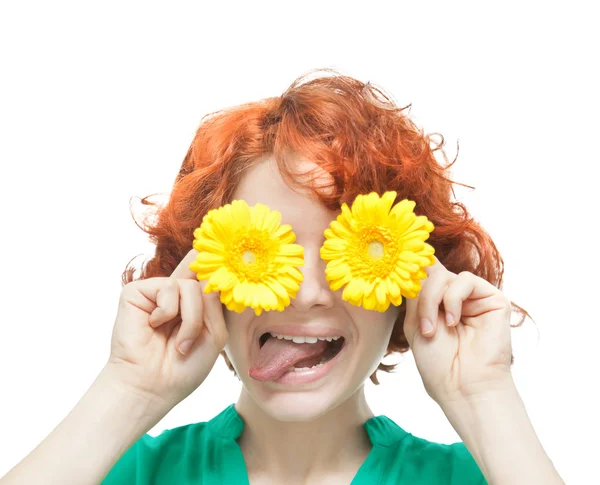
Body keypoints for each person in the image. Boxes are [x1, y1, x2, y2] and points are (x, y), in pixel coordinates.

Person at [0, 69, 565, 485]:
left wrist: (484, 396)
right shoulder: (115, 469)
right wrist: (129, 388)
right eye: (267, 251)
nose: (309, 291)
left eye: (349, 254)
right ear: (200, 275)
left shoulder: (484, 474)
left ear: (413, 286)